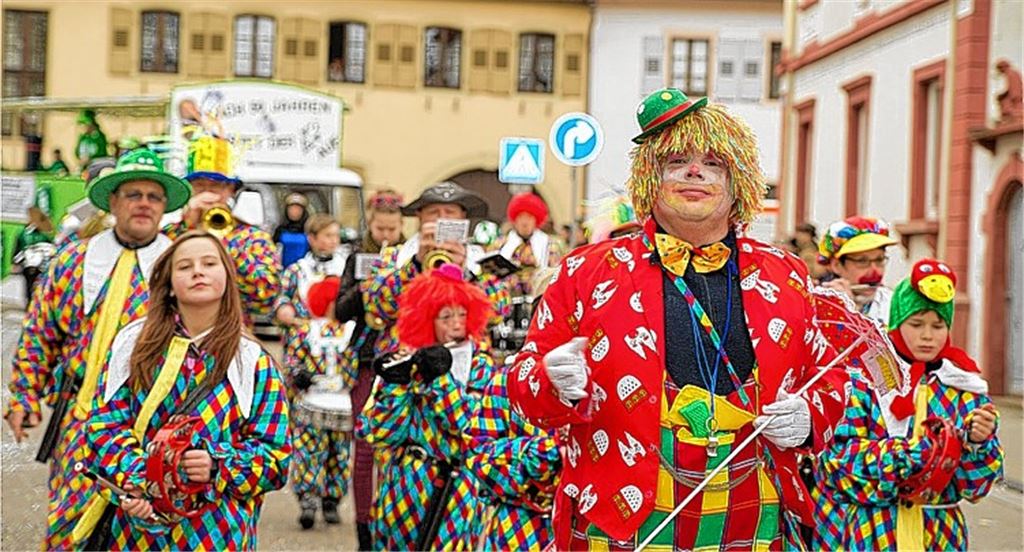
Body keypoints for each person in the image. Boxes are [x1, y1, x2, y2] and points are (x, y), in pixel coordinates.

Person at [507, 88, 851, 549]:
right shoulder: (586, 272)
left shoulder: (785, 274)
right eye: (676, 161)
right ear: (651, 178)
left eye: (714, 163)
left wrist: (811, 418)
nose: (695, 171)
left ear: (740, 184)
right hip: (620, 515)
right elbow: (524, 387)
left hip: (753, 509)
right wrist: (549, 379)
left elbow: (829, 377)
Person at [3, 149, 190, 550]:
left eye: (153, 197)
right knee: (71, 527)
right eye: (133, 194)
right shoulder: (72, 261)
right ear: (112, 202)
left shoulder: (180, 266)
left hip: (153, 424)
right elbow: (40, 333)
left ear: (163, 208)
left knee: (143, 529)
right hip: (79, 420)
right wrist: (24, 396)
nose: (143, 204)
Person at [83, 231, 291, 550]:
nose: (197, 271)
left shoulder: (253, 361)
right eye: (184, 266)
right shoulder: (131, 345)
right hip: (136, 535)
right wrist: (142, 481)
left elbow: (276, 458)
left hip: (218, 535)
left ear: (226, 277)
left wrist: (216, 465)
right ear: (167, 283)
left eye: (209, 263)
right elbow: (102, 427)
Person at [814, 258, 1003, 550]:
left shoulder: (965, 392)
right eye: (916, 324)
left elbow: (976, 488)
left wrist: (979, 444)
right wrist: (912, 455)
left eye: (938, 325)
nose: (927, 336)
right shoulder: (864, 382)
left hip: (938, 537)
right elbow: (835, 466)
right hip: (870, 533)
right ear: (898, 323)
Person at [357, 263, 496, 550]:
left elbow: (468, 427)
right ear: (426, 318)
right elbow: (378, 434)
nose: (457, 323)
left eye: (462, 314)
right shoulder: (409, 361)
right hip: (404, 483)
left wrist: (440, 381)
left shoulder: (480, 365)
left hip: (456, 487)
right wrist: (396, 387)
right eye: (446, 317)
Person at [466, 266, 562, 551]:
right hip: (518, 530)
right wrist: (546, 451)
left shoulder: (608, 385)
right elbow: (481, 458)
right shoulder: (505, 382)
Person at [332, 187, 405, 549]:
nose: (387, 237)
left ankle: (391, 523)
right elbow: (339, 311)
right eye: (380, 230)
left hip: (401, 360)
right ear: (371, 226)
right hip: (365, 359)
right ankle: (363, 528)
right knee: (364, 449)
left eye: (392, 230)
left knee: (394, 451)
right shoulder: (356, 256)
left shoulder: (411, 258)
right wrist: (363, 290)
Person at [362, 181, 509, 358]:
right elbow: (374, 305)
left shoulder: (481, 260)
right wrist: (415, 265)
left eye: (450, 212)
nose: (442, 218)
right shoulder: (393, 256)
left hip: (469, 364)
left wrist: (466, 274)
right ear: (420, 216)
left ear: (463, 217)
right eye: (433, 212)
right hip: (408, 361)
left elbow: (498, 313)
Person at [163, 135, 281, 327]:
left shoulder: (253, 238)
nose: (208, 193)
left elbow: (267, 295)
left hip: (230, 336)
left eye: (216, 186)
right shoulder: (170, 234)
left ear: (231, 191)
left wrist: (223, 240)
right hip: (173, 332)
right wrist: (186, 228)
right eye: (200, 185)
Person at [285, 276, 356, 530]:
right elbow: (292, 359)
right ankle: (308, 499)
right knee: (309, 452)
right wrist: (298, 374)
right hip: (312, 401)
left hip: (343, 404)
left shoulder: (351, 331)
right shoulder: (305, 331)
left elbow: (356, 365)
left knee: (339, 454)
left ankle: (331, 499)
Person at [275, 213, 349, 333]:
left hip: (337, 337)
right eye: (328, 235)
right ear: (311, 238)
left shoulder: (345, 267)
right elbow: (282, 296)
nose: (334, 240)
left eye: (336, 235)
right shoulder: (297, 270)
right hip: (303, 334)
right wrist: (283, 307)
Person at [819, 216, 899, 325]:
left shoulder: (896, 305)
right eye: (862, 261)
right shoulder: (816, 304)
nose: (874, 271)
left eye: (879, 260)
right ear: (837, 265)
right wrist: (843, 309)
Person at [12, 206, 55, 302]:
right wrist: (15, 263)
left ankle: (37, 303)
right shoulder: (23, 233)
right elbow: (17, 247)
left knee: (40, 285)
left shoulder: (44, 235)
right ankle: (29, 304)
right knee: (28, 286)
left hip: (41, 266)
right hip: (27, 265)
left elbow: (51, 248)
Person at [274, 193, 311, 268]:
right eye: (291, 208)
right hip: (282, 270)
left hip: (304, 271)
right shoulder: (280, 230)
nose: (294, 212)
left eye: (298, 209)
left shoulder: (309, 229)